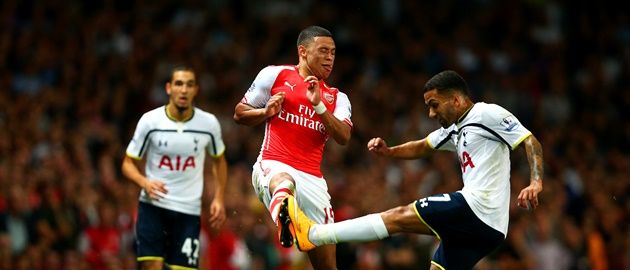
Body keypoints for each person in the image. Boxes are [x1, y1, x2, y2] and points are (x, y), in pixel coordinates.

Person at [283, 70, 544, 270]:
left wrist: (535, 182)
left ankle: (315, 234)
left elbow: (530, 141)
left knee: (399, 216)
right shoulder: (455, 129)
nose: (431, 113)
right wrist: (389, 151)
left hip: (477, 209)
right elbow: (423, 146)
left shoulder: (487, 114)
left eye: (434, 104)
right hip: (490, 229)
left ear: (455, 99)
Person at [233, 25, 352, 269]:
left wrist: (319, 106)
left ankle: (287, 217)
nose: (330, 58)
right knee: (284, 182)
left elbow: (343, 136)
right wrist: (265, 112)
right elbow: (239, 113)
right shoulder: (274, 75)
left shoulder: (337, 97)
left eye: (333, 53)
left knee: (327, 266)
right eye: (323, 51)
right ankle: (285, 220)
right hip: (274, 162)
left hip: (314, 181)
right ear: (303, 51)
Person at [122, 65, 228, 270]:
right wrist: (144, 182)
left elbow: (219, 160)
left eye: (189, 85)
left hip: (188, 212)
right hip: (153, 207)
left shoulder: (208, 124)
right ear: (169, 88)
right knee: (151, 266)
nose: (184, 90)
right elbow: (127, 164)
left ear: (196, 90)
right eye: (179, 84)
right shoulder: (150, 121)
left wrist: (219, 197)